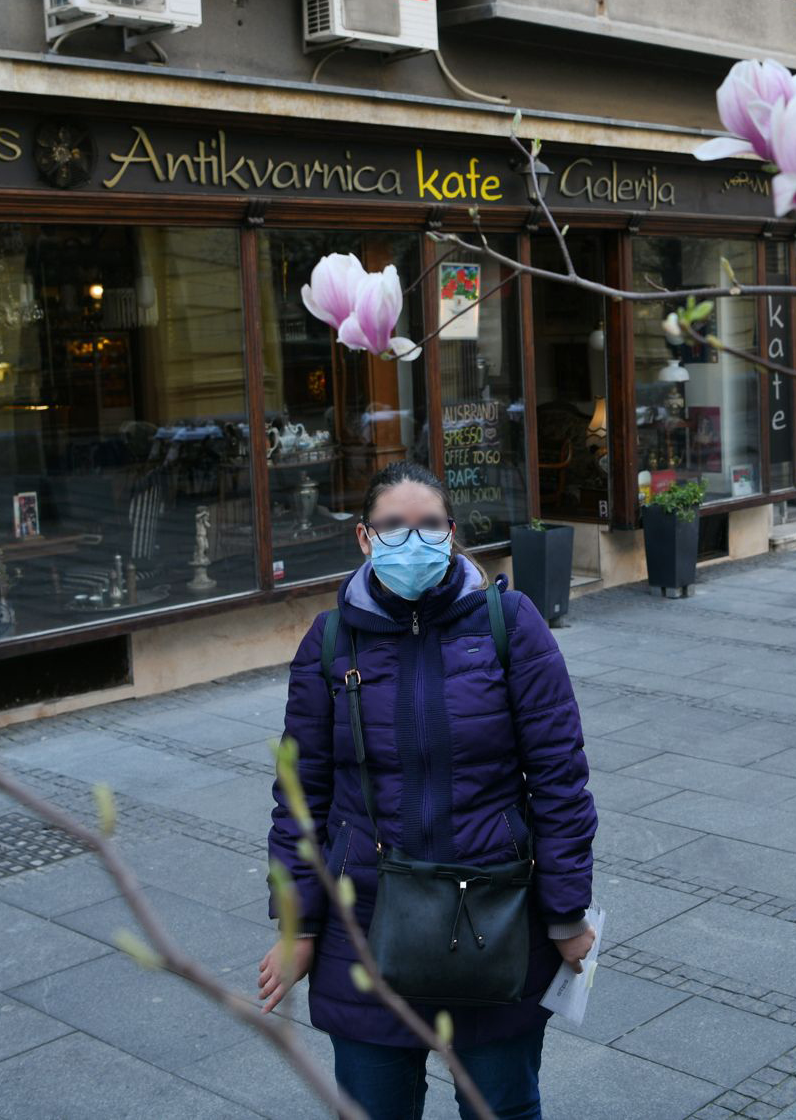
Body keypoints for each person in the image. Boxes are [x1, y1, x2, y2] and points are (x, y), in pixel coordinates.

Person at [260, 461, 598, 1120]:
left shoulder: (510, 625)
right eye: (392, 526)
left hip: (493, 918)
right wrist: (298, 926)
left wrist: (564, 912)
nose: (411, 541)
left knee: (502, 1105)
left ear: (452, 534)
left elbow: (560, 778)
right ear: (364, 537)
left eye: (429, 525)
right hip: (366, 926)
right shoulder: (330, 642)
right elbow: (301, 797)